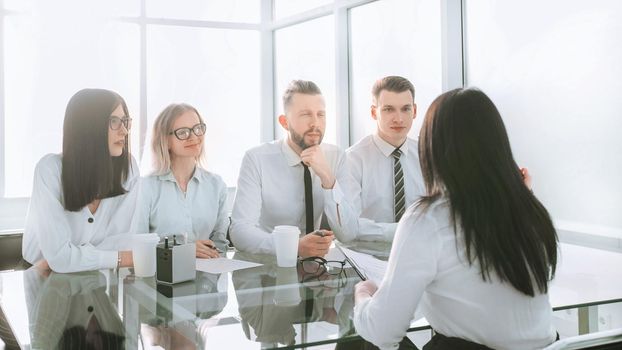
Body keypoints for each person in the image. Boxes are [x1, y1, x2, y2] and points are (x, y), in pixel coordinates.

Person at [353, 88, 558, 350]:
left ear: (434, 147)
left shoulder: (429, 218)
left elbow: (382, 333)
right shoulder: (531, 211)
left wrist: (363, 295)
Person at [230, 80, 357, 257]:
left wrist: (328, 179)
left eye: (321, 115)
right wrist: (291, 247)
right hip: (269, 268)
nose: (315, 123)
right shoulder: (256, 159)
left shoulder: (336, 156)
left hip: (320, 271)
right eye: (305, 115)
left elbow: (348, 233)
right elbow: (240, 231)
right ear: (284, 122)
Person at [22, 88, 139, 273]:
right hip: (40, 276)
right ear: (89, 127)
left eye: (125, 121)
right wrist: (121, 258)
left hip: (94, 274)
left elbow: (120, 240)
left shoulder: (129, 169)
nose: (124, 131)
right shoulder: (49, 170)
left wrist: (70, 258)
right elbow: (60, 259)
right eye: (114, 121)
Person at [134, 103, 229, 258]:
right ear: (165, 140)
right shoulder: (146, 187)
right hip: (160, 277)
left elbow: (219, 244)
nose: (194, 137)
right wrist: (183, 251)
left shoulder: (216, 185)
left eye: (198, 128)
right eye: (183, 132)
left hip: (207, 275)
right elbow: (138, 247)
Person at [345, 76, 425, 241]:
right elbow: (351, 226)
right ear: (374, 112)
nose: (398, 119)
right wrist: (404, 231)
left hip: (423, 254)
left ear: (415, 111)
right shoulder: (353, 160)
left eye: (405, 109)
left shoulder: (428, 156)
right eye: (388, 109)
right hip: (367, 258)